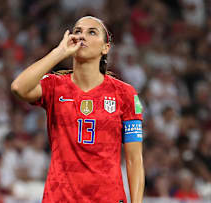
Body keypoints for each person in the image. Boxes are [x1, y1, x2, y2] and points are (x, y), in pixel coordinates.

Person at [11, 16, 144, 203]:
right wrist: (59, 52)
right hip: (60, 197)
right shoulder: (54, 85)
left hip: (107, 198)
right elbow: (19, 88)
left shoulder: (125, 94)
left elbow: (134, 159)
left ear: (105, 48)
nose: (82, 36)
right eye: (78, 31)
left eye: (92, 32)